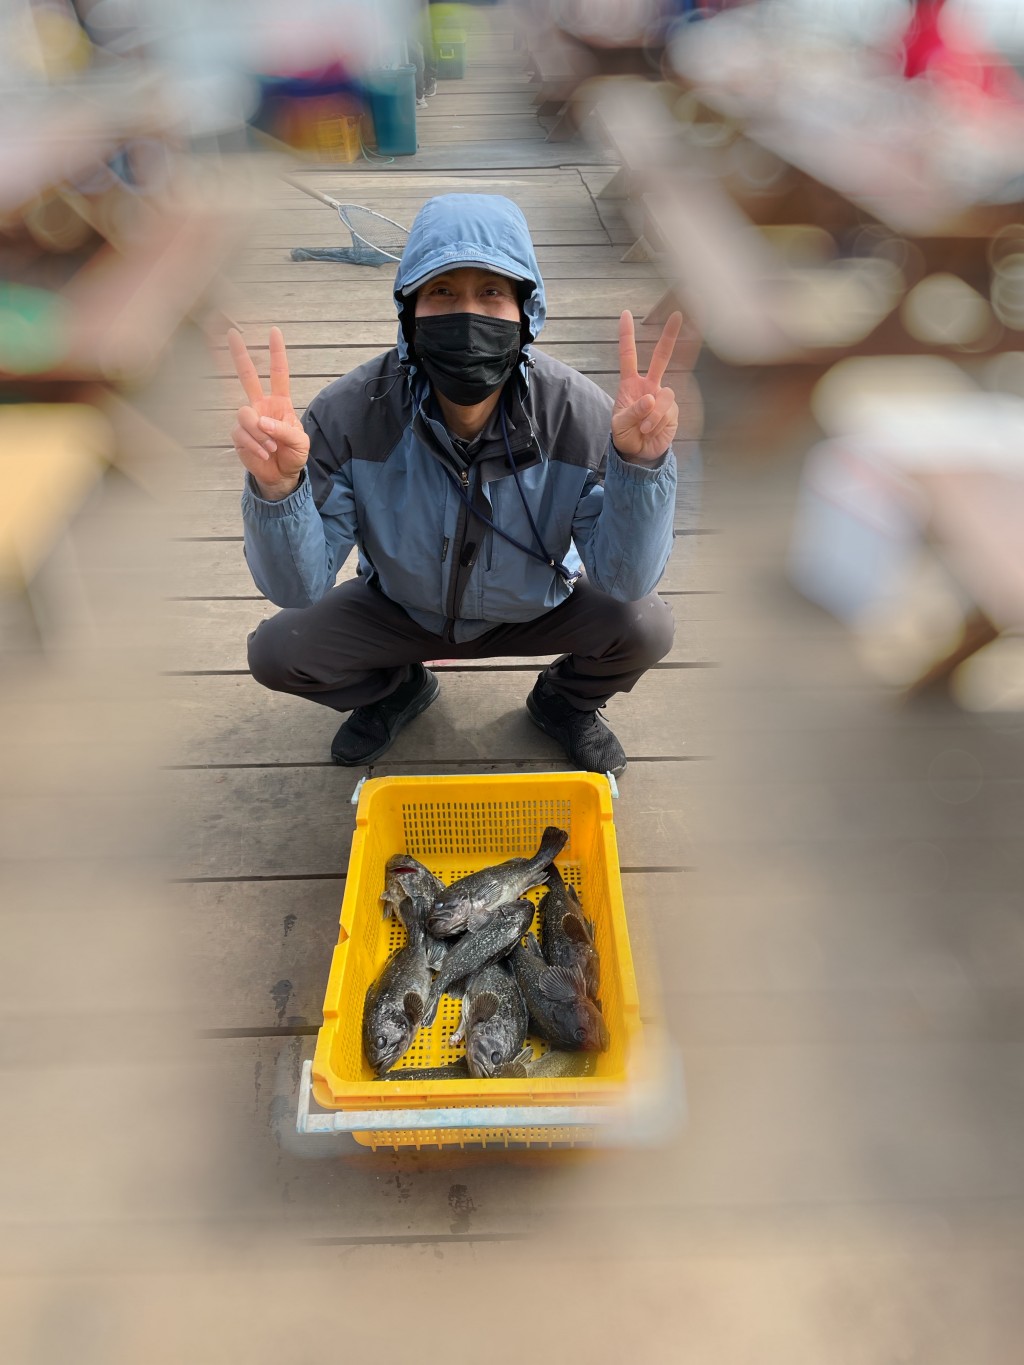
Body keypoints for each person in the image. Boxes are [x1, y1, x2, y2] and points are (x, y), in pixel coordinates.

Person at [228, 193, 697, 777]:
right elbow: (296, 586)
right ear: (409, 311)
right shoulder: (349, 413)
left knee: (647, 625)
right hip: (402, 609)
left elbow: (626, 578)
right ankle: (396, 690)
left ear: (526, 310)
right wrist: (279, 491)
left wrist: (641, 467)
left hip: (537, 607)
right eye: (442, 291)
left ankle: (565, 702)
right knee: (278, 652)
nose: (467, 314)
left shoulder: (579, 415)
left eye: (492, 292)